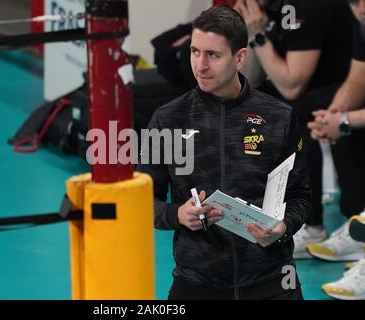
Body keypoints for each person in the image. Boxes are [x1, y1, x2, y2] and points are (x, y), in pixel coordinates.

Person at [137, 5, 310, 300]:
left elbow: (301, 196)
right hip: (196, 283)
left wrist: (283, 227)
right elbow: (140, 202)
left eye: (212, 55)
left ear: (240, 57)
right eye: (195, 51)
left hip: (273, 281)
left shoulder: (278, 117)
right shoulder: (167, 120)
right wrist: (177, 214)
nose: (199, 65)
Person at [234, 0, 356, 259]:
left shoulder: (306, 6)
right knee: (250, 104)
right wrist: (249, 31)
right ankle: (267, 209)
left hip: (345, 89)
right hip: (310, 89)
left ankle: (316, 224)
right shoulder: (260, 9)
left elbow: (291, 85)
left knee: (295, 110)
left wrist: (258, 34)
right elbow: (251, 79)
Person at [306, 0, 365, 300]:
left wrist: (344, 120)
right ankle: (359, 227)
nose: (363, 6)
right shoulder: (363, 21)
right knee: (313, 110)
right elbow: (358, 78)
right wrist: (333, 116)